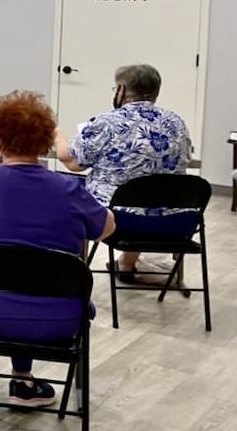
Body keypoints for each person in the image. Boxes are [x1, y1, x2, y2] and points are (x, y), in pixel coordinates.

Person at [0, 91, 114, 409]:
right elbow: (107, 228)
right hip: (58, 318)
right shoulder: (68, 189)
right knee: (32, 275)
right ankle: (22, 380)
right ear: (45, 143)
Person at [54, 64, 193, 282]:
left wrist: (56, 133)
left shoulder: (107, 123)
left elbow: (72, 162)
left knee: (69, 187)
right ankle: (126, 264)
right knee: (143, 188)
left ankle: (68, 270)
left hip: (119, 222)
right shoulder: (177, 123)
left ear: (121, 89)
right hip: (177, 221)